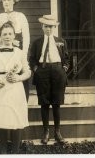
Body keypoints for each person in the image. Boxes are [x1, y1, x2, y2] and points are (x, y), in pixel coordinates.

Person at [0, 21, 31, 153]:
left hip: (15, 88)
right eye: (4, 34)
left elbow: (28, 71)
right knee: (1, 118)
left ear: (14, 35)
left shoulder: (20, 53)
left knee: (16, 118)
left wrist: (18, 77)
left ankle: (15, 151)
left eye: (10, 33)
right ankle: (3, 152)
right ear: (0, 36)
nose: (7, 36)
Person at [29, 15, 70, 145]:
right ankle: (46, 132)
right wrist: (36, 69)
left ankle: (57, 132)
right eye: (46, 26)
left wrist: (63, 68)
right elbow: (32, 59)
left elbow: (67, 58)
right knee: (44, 103)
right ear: (42, 27)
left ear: (54, 27)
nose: (48, 29)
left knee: (57, 103)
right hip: (43, 72)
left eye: (51, 26)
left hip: (58, 71)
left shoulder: (61, 41)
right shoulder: (37, 42)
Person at [0, 0, 30, 100]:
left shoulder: (20, 16)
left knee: (18, 75)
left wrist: (24, 54)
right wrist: (1, 41)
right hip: (2, 49)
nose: (6, 2)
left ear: (14, 1)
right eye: (4, 0)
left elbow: (26, 36)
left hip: (18, 50)